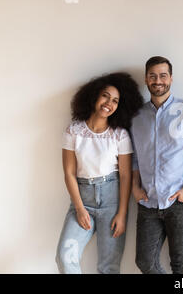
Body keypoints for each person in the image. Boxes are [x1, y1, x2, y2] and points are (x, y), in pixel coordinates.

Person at [55, 72, 144, 274]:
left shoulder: (120, 135)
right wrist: (79, 208)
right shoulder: (73, 131)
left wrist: (122, 214)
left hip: (112, 201)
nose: (109, 103)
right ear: (95, 96)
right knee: (64, 257)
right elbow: (69, 173)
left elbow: (125, 176)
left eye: (115, 101)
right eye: (105, 96)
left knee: (108, 267)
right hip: (82, 199)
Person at [131, 56, 183, 274]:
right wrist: (135, 187)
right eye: (153, 76)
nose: (158, 80)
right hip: (148, 201)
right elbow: (135, 157)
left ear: (171, 79)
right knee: (144, 262)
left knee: (181, 264)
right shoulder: (136, 116)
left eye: (163, 75)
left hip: (179, 201)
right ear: (146, 79)